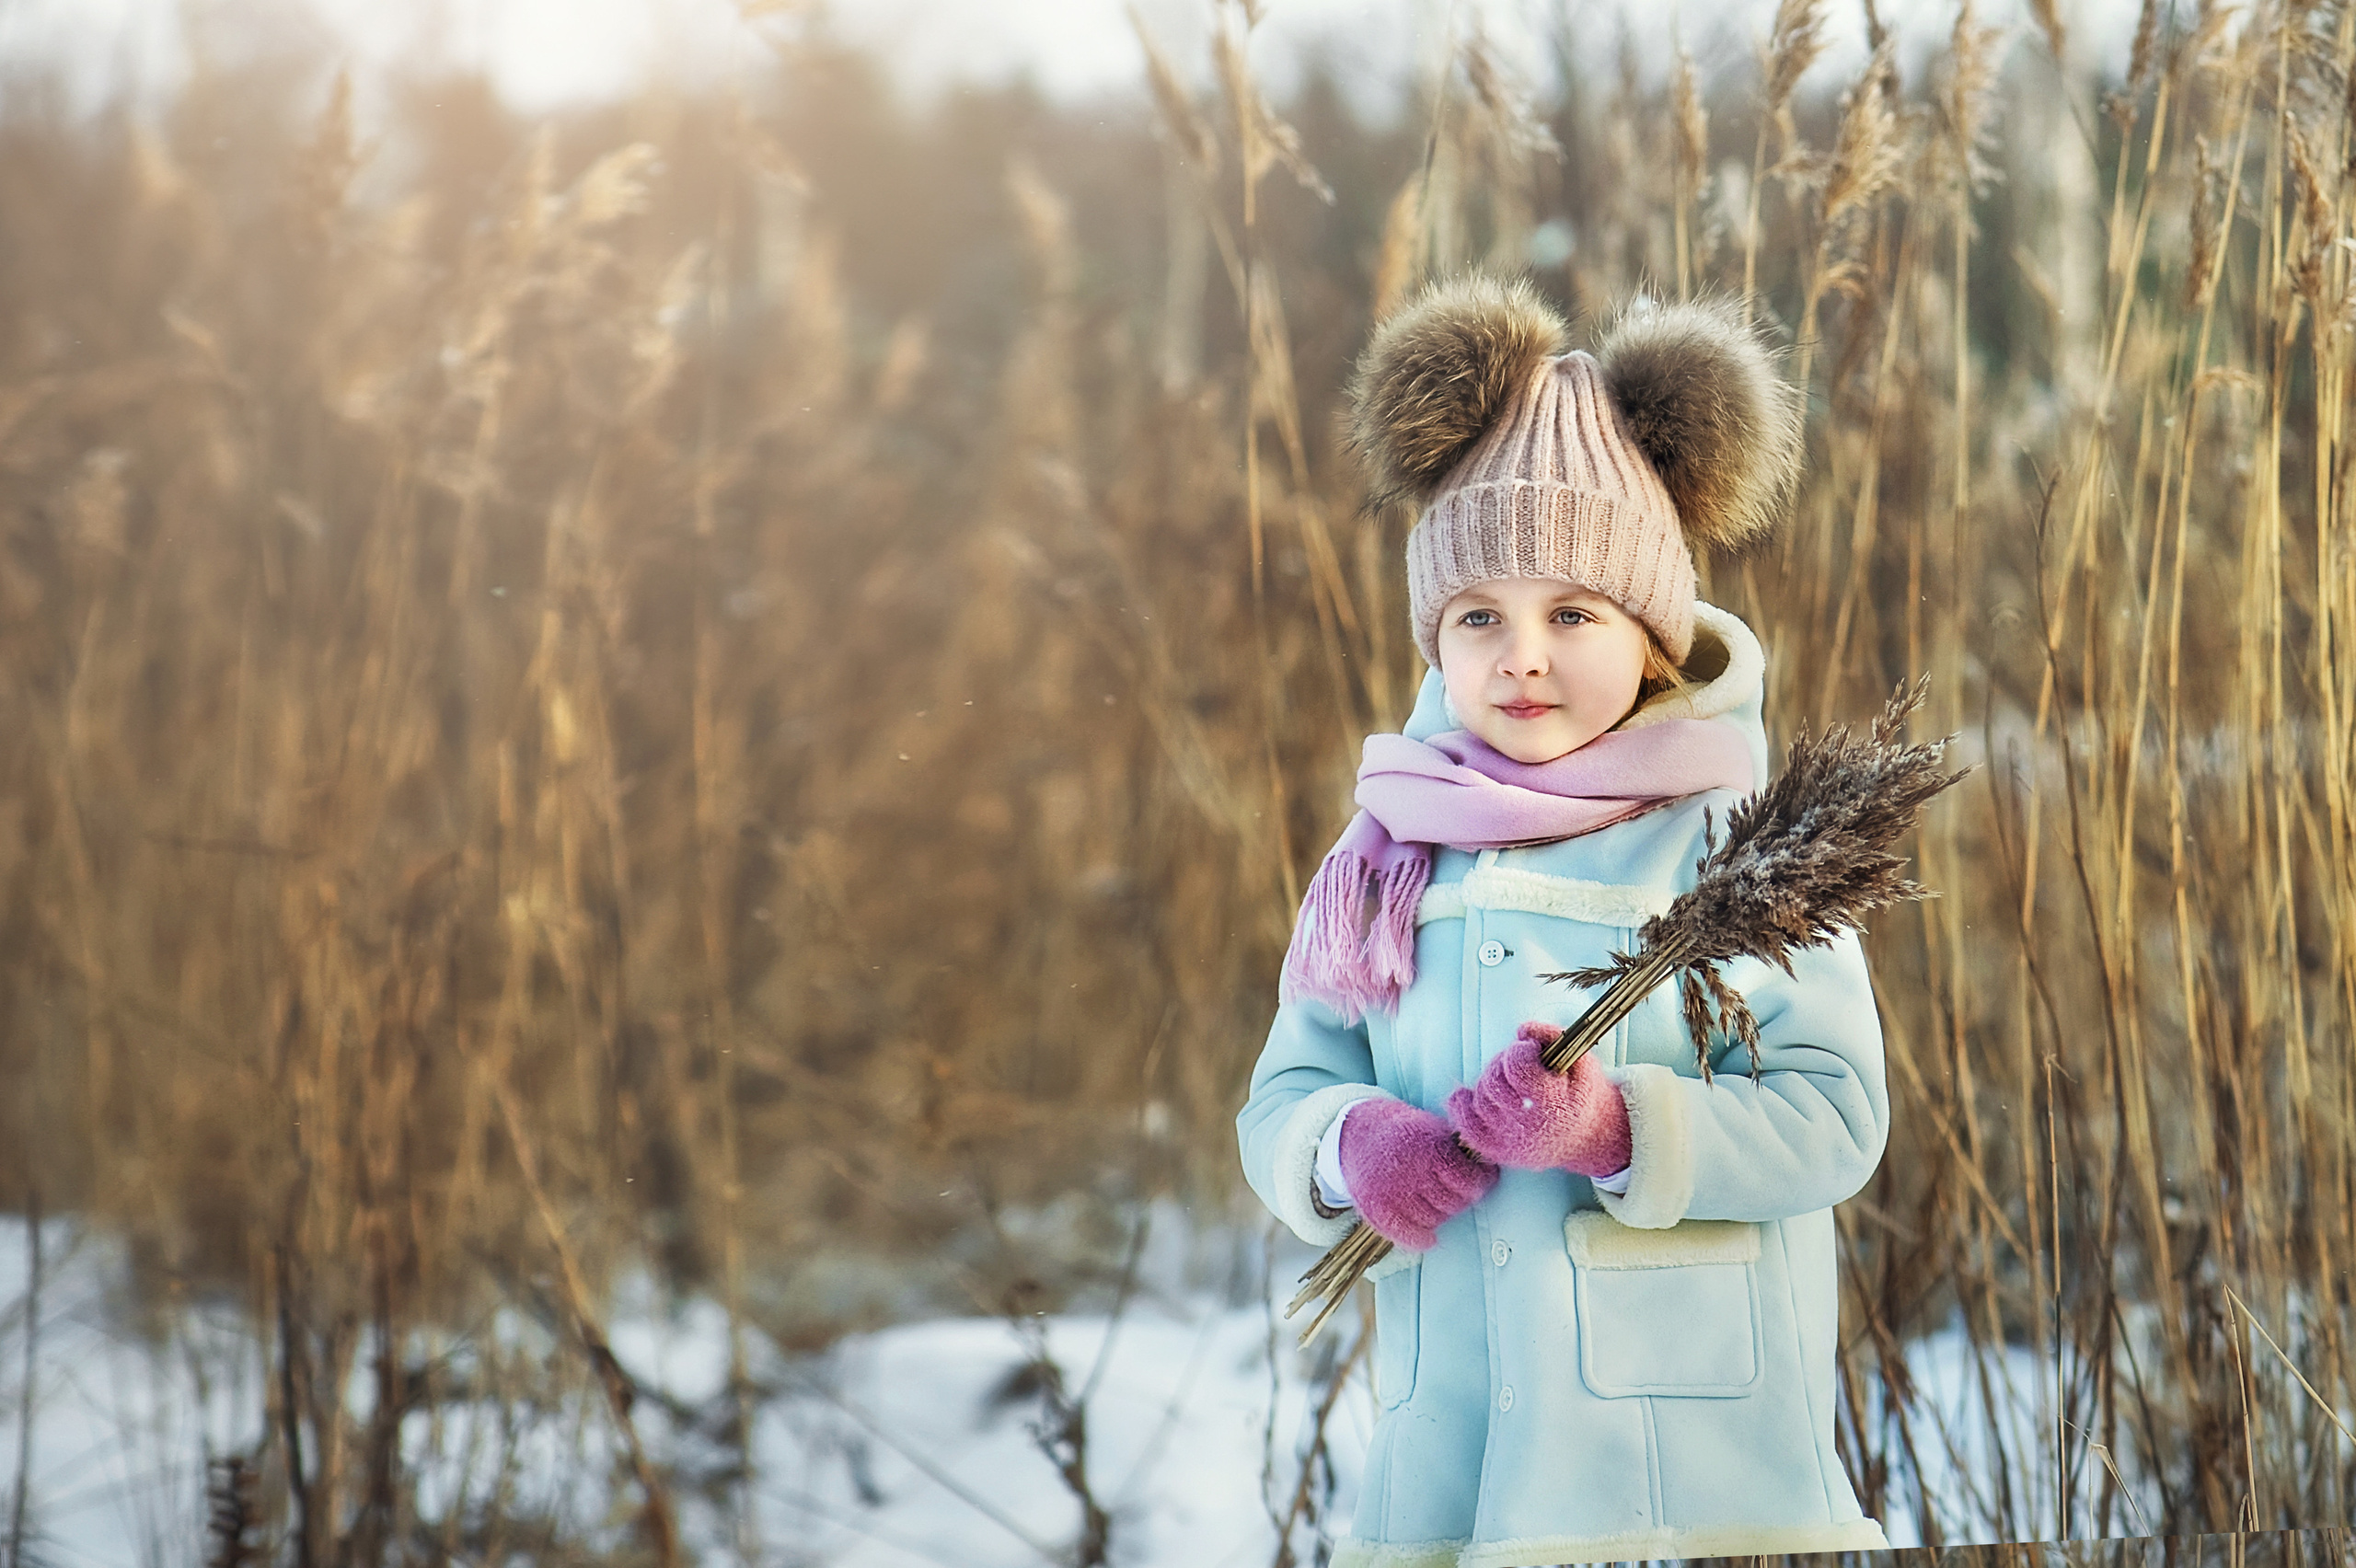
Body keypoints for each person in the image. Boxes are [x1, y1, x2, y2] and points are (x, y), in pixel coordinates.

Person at [1236, 273, 1892, 1567]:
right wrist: (1347, 1145)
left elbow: (1836, 1116)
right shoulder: (1387, 853)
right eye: (1479, 617)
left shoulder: (1736, 846)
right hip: (1457, 1462)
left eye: (1572, 614)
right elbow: (1285, 1094)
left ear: (1652, 636)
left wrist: (1617, 1128)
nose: (1520, 655)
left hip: (1682, 1468)